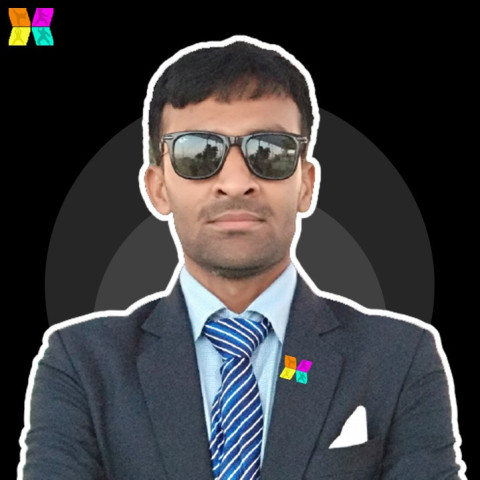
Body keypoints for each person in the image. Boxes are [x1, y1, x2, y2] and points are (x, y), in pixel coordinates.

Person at [18, 36, 466, 480]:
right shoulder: (82, 364)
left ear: (307, 184)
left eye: (269, 151)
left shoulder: (397, 359)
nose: (235, 183)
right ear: (157, 188)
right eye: (198, 153)